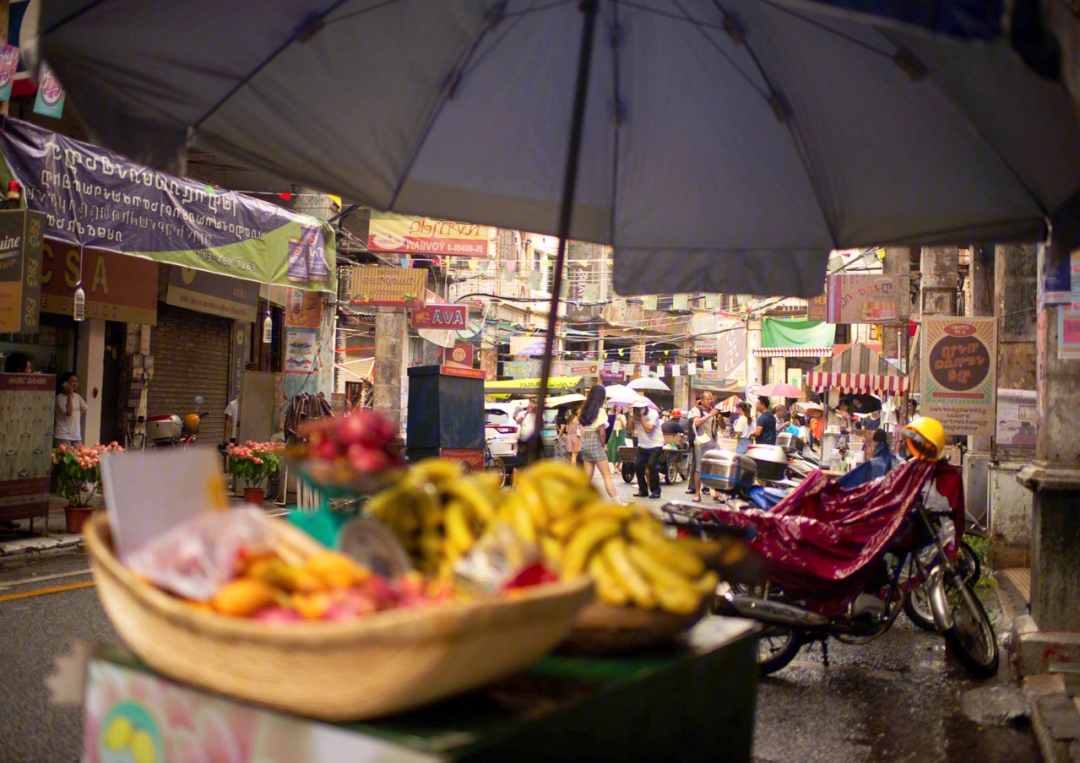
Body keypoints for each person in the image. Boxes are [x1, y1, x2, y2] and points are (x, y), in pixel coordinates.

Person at [576, 384, 619, 500]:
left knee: (587, 477)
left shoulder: (584, 410)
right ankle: (617, 503)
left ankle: (578, 503)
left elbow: (582, 430)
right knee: (607, 476)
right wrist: (603, 445)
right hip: (595, 443)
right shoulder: (600, 411)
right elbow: (602, 433)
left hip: (585, 444)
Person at [689, 391, 720, 503]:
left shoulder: (713, 410)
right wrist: (711, 415)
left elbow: (722, 426)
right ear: (702, 400)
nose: (710, 401)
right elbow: (697, 423)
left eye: (711, 399)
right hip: (702, 443)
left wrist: (719, 419)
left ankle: (717, 493)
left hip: (714, 442)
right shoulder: (697, 410)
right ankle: (697, 494)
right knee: (699, 469)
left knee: (717, 468)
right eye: (707, 399)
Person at [631, 400, 663, 499]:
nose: (638, 410)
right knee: (638, 466)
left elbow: (648, 429)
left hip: (655, 444)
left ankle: (656, 491)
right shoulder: (634, 414)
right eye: (636, 408)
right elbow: (629, 428)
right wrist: (630, 416)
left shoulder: (654, 413)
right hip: (642, 445)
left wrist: (641, 418)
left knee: (652, 465)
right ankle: (642, 490)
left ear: (645, 407)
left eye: (640, 408)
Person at [54, 372, 88, 447]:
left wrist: (77, 416)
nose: (75, 384)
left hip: (76, 436)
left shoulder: (77, 396)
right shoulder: (60, 397)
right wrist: (69, 396)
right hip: (63, 436)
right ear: (65, 383)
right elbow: (69, 412)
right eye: (72, 382)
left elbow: (85, 408)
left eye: (76, 382)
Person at [607, 406, 627, 475]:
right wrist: (614, 417)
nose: (619, 408)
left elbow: (624, 427)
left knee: (621, 449)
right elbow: (608, 425)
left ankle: (619, 465)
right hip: (613, 433)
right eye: (618, 407)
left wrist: (620, 420)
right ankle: (614, 466)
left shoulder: (623, 416)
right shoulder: (611, 415)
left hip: (620, 433)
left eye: (620, 407)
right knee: (613, 448)